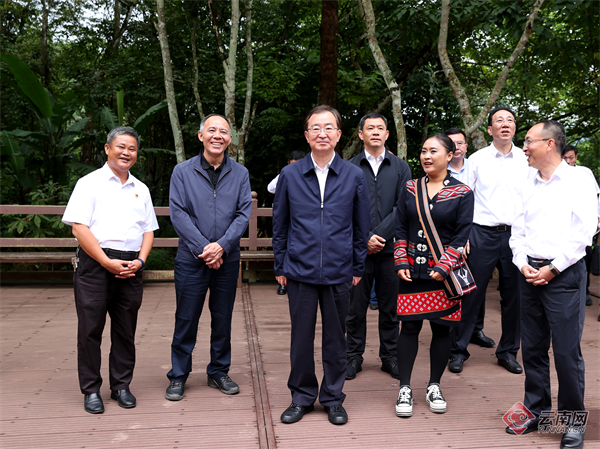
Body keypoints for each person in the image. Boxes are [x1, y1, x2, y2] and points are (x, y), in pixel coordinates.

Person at [273, 105, 370, 425]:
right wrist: (280, 265)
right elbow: (280, 225)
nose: (322, 133)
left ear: (339, 135)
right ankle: (301, 396)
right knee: (300, 339)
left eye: (329, 127)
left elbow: (361, 226)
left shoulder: (354, 175)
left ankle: (332, 397)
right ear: (307, 135)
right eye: (315, 128)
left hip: (339, 270)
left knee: (335, 338)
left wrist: (357, 266)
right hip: (299, 269)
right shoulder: (290, 175)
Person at [508, 120, 597, 449]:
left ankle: (573, 421)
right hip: (529, 272)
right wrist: (522, 263)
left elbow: (583, 232)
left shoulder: (579, 178)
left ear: (550, 144)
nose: (524, 147)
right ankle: (536, 412)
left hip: (564, 274)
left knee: (565, 352)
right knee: (531, 348)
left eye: (529, 141)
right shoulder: (525, 180)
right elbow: (517, 230)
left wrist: (553, 268)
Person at [62, 126, 158, 414]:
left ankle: (121, 385)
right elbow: (79, 228)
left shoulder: (141, 189)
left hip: (131, 266)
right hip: (95, 264)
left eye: (132, 148)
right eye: (121, 147)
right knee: (90, 329)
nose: (126, 153)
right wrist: (105, 261)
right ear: (107, 149)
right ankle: (91, 389)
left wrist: (141, 261)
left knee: (125, 329)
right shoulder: (89, 183)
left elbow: (148, 230)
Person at [166, 113, 252, 400]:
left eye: (223, 131)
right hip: (191, 258)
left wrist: (222, 246)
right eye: (212, 130)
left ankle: (218, 371)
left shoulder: (240, 173)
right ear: (201, 135)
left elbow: (243, 214)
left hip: (227, 258)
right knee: (186, 317)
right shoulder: (182, 171)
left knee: (223, 317)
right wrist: (206, 248)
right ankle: (178, 375)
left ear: (230, 138)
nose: (218, 136)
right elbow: (178, 213)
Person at [393, 133, 474, 418]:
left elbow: (462, 235)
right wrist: (400, 260)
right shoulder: (410, 188)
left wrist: (444, 267)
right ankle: (404, 388)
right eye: (424, 151)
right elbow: (400, 227)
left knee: (442, 330)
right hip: (412, 273)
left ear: (450, 155)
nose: (427, 156)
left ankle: (434, 386)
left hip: (444, 275)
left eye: (434, 151)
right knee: (409, 329)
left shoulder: (463, 192)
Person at [448, 107, 529, 375]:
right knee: (470, 293)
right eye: (499, 121)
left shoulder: (526, 159)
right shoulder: (477, 159)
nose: (505, 124)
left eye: (510, 120)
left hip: (517, 235)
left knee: (515, 297)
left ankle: (508, 352)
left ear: (515, 127)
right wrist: (463, 235)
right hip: (481, 233)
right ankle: (457, 351)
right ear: (490, 129)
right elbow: (464, 197)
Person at [345, 113, 411, 381]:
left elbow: (403, 206)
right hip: (357, 252)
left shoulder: (400, 167)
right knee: (354, 308)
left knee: (391, 307)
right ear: (360, 134)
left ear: (387, 134)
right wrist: (364, 239)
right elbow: (343, 208)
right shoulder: (348, 167)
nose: (375, 132)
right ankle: (353, 356)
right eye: (369, 128)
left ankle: (390, 356)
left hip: (390, 250)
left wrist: (377, 236)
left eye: (380, 128)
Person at [446, 127, 494, 349]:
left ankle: (475, 329)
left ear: (466, 146)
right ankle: (450, 331)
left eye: (460, 143)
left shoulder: (477, 167)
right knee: (451, 283)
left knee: (476, 284)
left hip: (474, 232)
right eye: (451, 143)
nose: (456, 147)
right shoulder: (438, 169)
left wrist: (466, 236)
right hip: (447, 233)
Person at [561, 144, 600, 306]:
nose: (568, 161)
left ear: (576, 157)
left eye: (571, 157)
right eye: (564, 158)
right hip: (564, 226)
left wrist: (597, 217)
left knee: (585, 257)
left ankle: (585, 292)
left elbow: (595, 196)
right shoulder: (556, 173)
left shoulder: (585, 172)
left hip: (583, 225)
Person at [267, 150, 306, 296]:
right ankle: (283, 283)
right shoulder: (286, 174)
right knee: (283, 248)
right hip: (287, 219)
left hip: (303, 221)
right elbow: (270, 188)